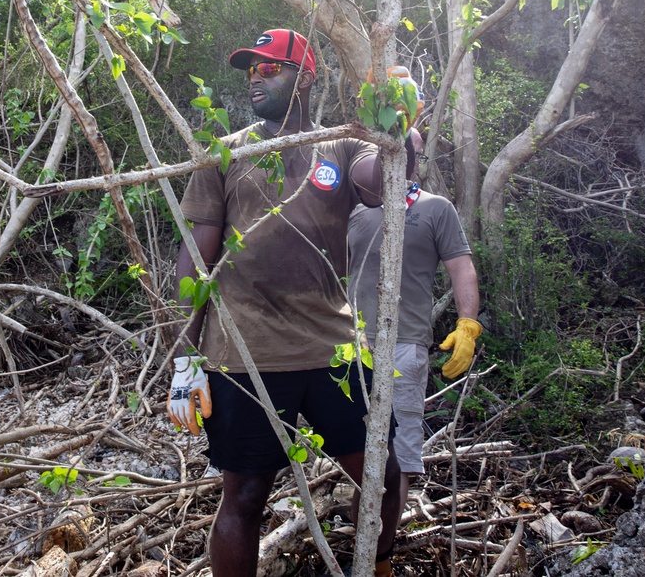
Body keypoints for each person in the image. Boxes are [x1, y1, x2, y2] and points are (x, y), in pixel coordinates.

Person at [167, 29, 405, 576]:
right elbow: (194, 263)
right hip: (245, 354)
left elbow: (381, 180)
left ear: (305, 77)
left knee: (383, 476)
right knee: (245, 497)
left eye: (270, 69)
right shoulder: (227, 155)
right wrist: (184, 359)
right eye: (251, 70)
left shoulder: (342, 146)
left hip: (334, 350)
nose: (256, 78)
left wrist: (399, 127)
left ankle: (378, 563)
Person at [347, 129, 480, 510]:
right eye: (400, 150)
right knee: (353, 451)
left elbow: (462, 269)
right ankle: (359, 541)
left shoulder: (436, 208)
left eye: (414, 152)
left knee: (398, 458)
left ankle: (382, 553)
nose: (408, 159)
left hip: (405, 348)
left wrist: (467, 325)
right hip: (349, 349)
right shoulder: (356, 210)